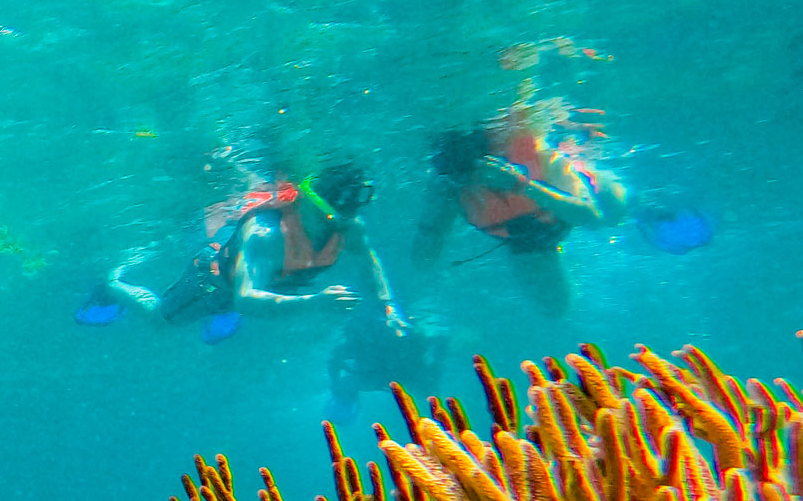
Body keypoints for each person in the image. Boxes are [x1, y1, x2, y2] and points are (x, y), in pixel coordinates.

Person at [92, 164, 405, 342]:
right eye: (329, 218)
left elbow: (369, 259)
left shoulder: (347, 225)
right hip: (211, 284)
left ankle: (225, 315)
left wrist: (388, 304)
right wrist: (315, 302)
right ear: (305, 201)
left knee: (242, 297)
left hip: (259, 283)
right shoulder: (264, 235)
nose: (336, 226)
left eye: (343, 219)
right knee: (160, 321)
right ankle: (112, 284)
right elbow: (245, 298)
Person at [415, 102, 628, 317]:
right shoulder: (560, 214)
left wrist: (445, 189)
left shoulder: (489, 222)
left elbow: (429, 239)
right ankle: (607, 182)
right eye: (541, 282)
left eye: (531, 286)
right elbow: (592, 217)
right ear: (559, 268)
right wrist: (521, 185)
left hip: (456, 129)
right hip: (505, 114)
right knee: (614, 208)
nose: (530, 276)